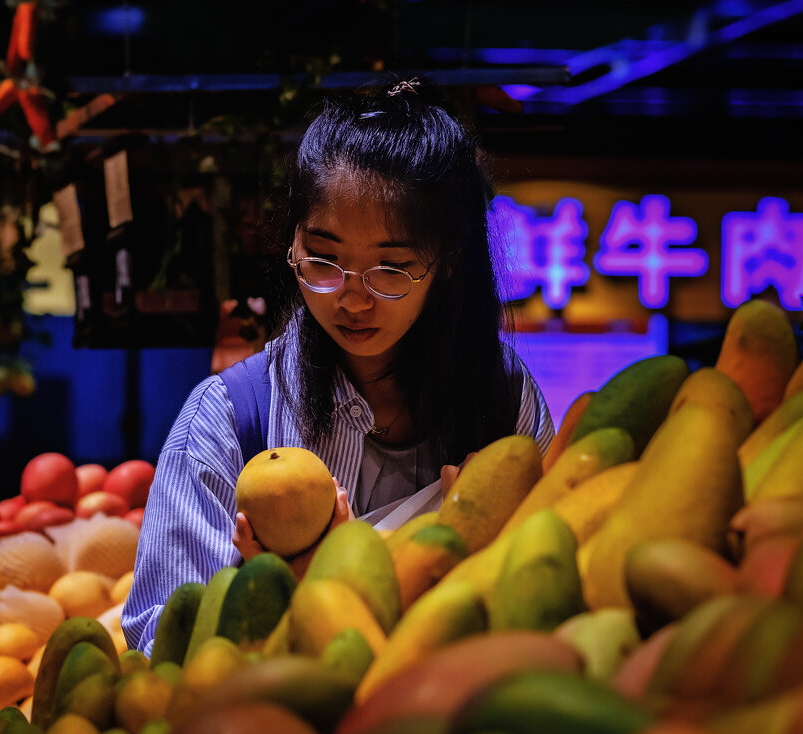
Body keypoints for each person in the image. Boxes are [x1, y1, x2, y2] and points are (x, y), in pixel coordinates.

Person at [122, 76, 554, 656]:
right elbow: (160, 647)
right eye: (324, 259)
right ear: (291, 244)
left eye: (390, 268)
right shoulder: (225, 421)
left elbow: (556, 596)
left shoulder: (505, 400)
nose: (352, 299)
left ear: (448, 260)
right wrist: (291, 606)